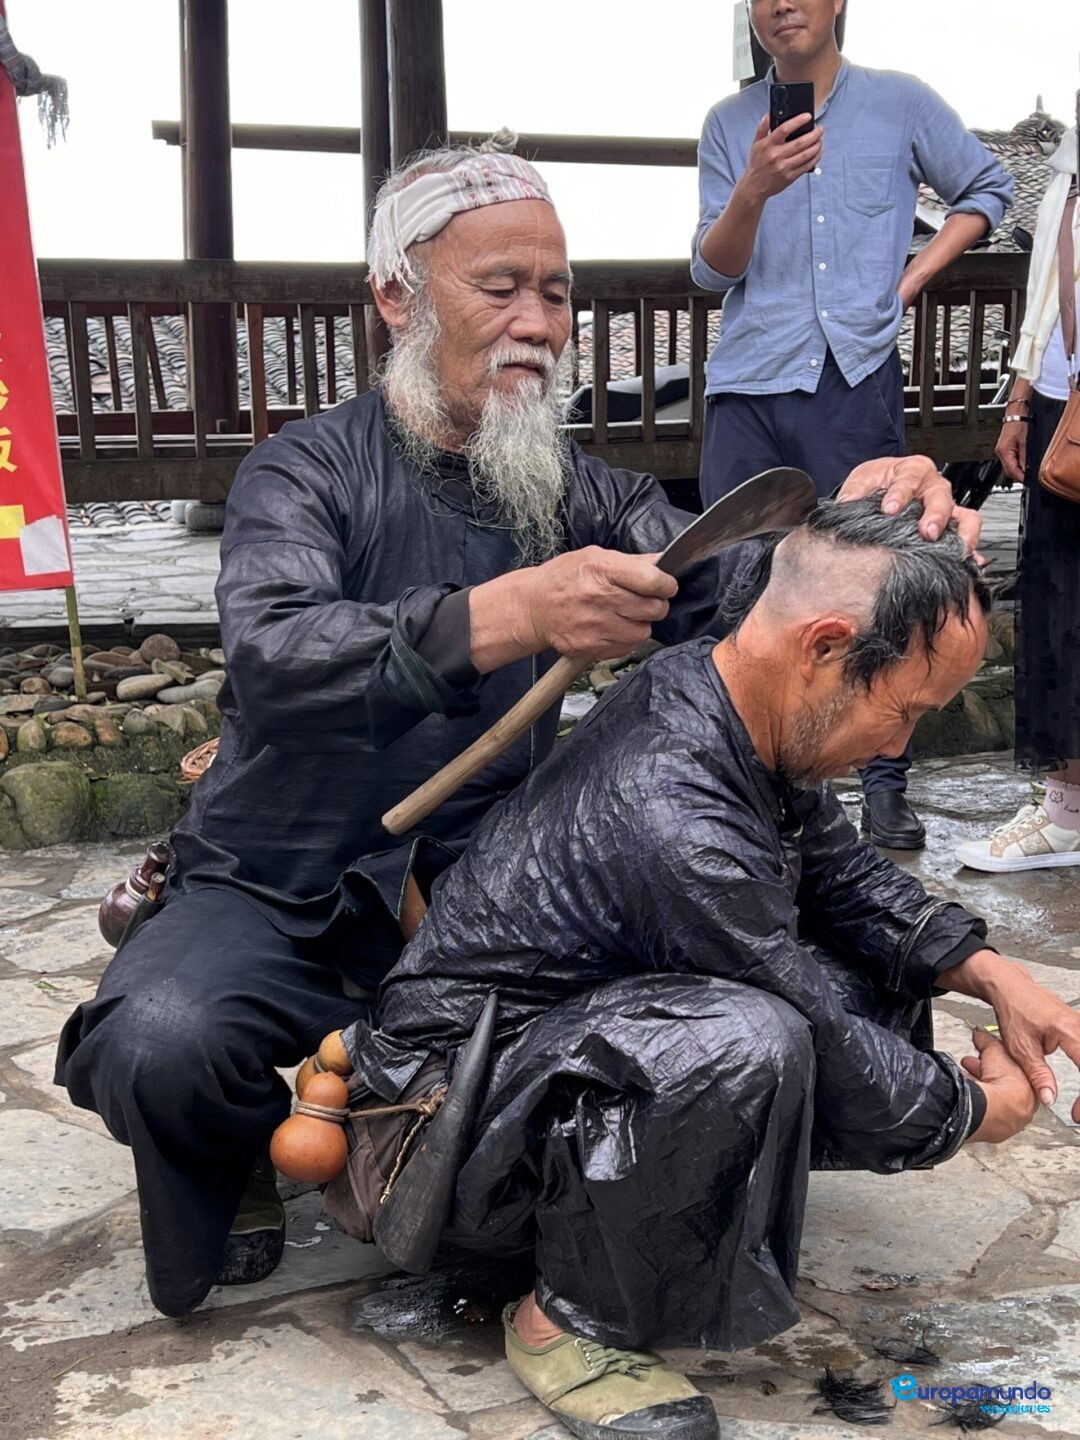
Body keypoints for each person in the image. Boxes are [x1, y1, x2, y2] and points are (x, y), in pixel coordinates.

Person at [54, 140, 975, 1321]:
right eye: (501, 287)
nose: (538, 320)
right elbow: (277, 660)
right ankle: (235, 1154)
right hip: (278, 881)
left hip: (493, 900)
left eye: (558, 291)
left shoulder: (577, 490)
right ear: (396, 295)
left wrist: (865, 527)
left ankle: (545, 1220)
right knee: (161, 1041)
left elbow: (744, 594)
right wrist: (505, 614)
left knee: (814, 970)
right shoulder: (300, 476)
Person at [347, 499, 1079, 1440]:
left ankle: (666, 1207)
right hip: (444, 1136)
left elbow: (839, 871)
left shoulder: (724, 692)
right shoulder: (672, 807)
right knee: (746, 1039)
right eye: (906, 711)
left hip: (537, 1068)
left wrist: (988, 972)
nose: (901, 747)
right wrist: (973, 1112)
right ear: (823, 647)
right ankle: (570, 1317)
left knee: (869, 968)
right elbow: (802, 1010)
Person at [691, 0, 1014, 852]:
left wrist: (908, 283)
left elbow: (989, 188)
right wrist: (755, 185)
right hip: (748, 382)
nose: (781, 5)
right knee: (737, 584)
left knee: (877, 574)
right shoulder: (730, 122)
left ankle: (883, 787)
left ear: (838, 2)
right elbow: (709, 266)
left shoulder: (900, 101)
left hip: (852, 378)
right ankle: (739, 782)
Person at [956, 120, 1080, 872]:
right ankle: (1066, 811)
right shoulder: (1069, 161)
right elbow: (1049, 290)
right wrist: (1020, 400)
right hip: (1066, 410)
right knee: (1058, 600)